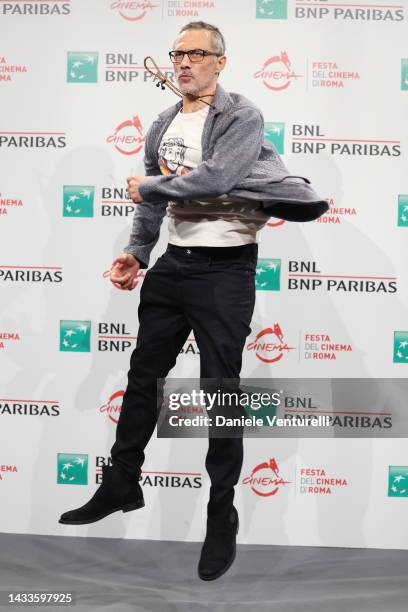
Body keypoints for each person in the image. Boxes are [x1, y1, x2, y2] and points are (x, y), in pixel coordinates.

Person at [59, 21, 327, 581]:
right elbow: (158, 201)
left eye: (196, 54)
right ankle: (121, 482)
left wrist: (149, 185)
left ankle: (220, 514)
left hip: (225, 274)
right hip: (173, 269)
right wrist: (137, 250)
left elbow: (217, 177)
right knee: (142, 378)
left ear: (219, 62)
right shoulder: (163, 121)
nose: (183, 63)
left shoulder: (241, 117)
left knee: (219, 395)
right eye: (177, 54)